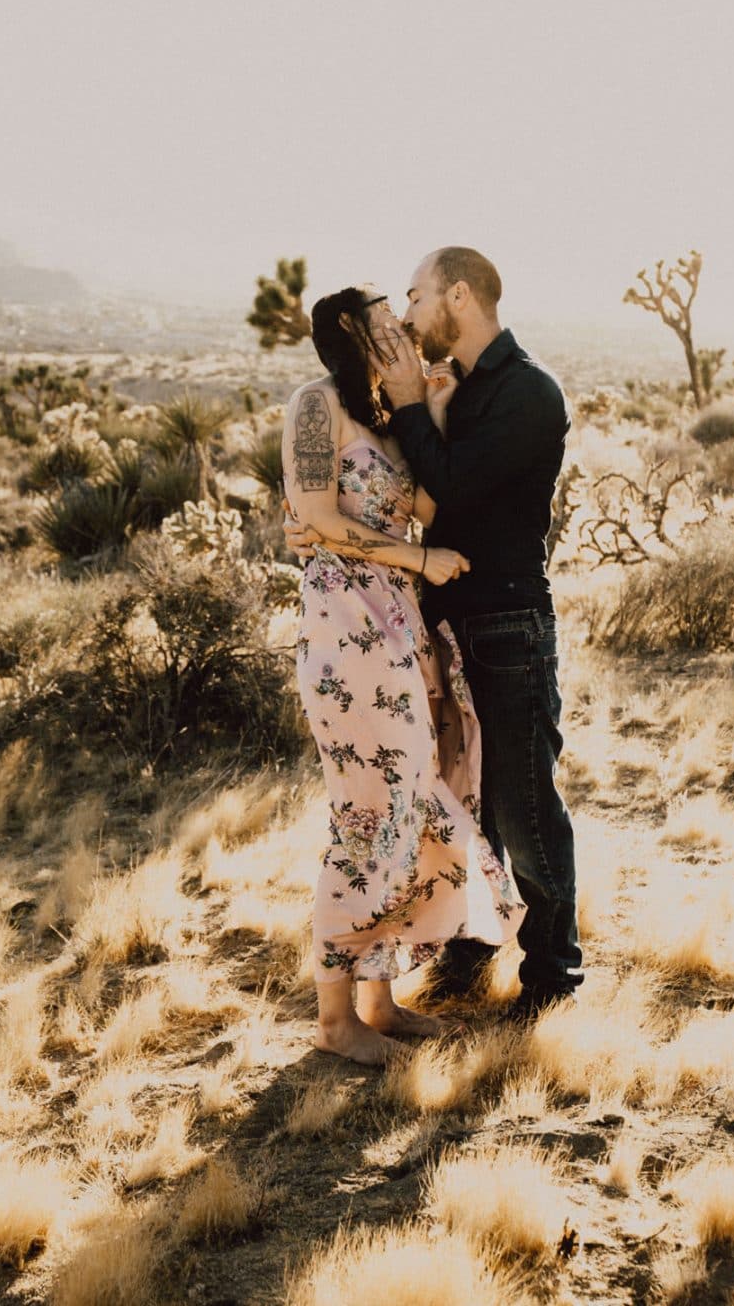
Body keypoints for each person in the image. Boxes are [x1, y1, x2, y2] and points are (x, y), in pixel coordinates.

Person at [281, 284, 524, 1066]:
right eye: (385, 328)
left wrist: (434, 409)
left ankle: (378, 1003)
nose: (404, 336)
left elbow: (426, 502)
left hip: (400, 624)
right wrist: (417, 557)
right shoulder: (315, 405)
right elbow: (314, 516)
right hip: (346, 626)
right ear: (352, 339)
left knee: (414, 800)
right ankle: (332, 1019)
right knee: (370, 808)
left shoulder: (390, 419)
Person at [377, 246, 583, 1018]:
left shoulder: (526, 391)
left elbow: (453, 488)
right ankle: (470, 951)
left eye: (416, 295)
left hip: (505, 625)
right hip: (450, 628)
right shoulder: (457, 389)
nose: (406, 314)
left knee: (521, 806)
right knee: (462, 802)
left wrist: (405, 403)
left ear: (458, 296)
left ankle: (553, 978)